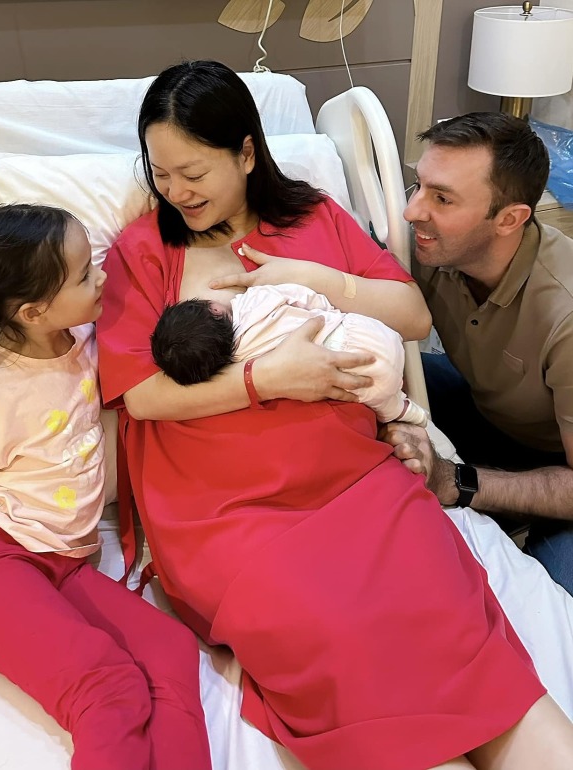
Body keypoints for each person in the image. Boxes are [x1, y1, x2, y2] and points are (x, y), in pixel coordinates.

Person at [97, 60, 573, 770]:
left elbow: (411, 315)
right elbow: (140, 394)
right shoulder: (144, 252)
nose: (175, 190)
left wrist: (320, 280)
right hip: (225, 509)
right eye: (160, 172)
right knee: (332, 636)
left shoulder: (315, 216)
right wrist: (267, 378)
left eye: (192, 170)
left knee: (446, 620)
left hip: (354, 480)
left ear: (248, 153)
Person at [0, 203, 212, 770]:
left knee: (169, 651)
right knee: (110, 687)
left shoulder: (89, 342)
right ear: (33, 309)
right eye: (84, 274)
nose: (102, 276)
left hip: (63, 563)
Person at [381, 112, 573, 594]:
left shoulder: (564, 316)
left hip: (561, 464)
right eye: (418, 186)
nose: (412, 211)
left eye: (442, 198)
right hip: (494, 409)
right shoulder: (442, 248)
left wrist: (458, 481)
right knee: (382, 380)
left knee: (545, 606)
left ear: (510, 219)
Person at [150, 284, 428, 425]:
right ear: (214, 308)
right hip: (370, 334)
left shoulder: (243, 360)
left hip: (364, 380)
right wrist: (327, 311)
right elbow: (302, 295)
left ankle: (408, 412)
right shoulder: (254, 300)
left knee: (383, 403)